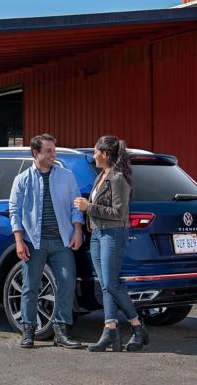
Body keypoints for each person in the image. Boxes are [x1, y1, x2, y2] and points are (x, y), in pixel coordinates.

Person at [73, 135, 149, 352]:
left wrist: (89, 208)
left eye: (96, 151)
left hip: (113, 234)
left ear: (105, 154)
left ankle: (137, 327)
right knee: (106, 285)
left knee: (111, 284)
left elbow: (119, 213)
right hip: (97, 234)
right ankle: (110, 332)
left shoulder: (117, 178)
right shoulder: (102, 175)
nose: (93, 154)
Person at [8, 134, 84, 349]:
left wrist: (77, 231)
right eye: (48, 151)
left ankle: (61, 332)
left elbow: (75, 206)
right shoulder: (22, 179)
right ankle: (28, 331)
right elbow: (14, 211)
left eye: (54, 149)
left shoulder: (67, 176)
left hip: (62, 241)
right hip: (34, 242)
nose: (54, 154)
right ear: (36, 153)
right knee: (30, 287)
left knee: (67, 284)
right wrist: (19, 241)